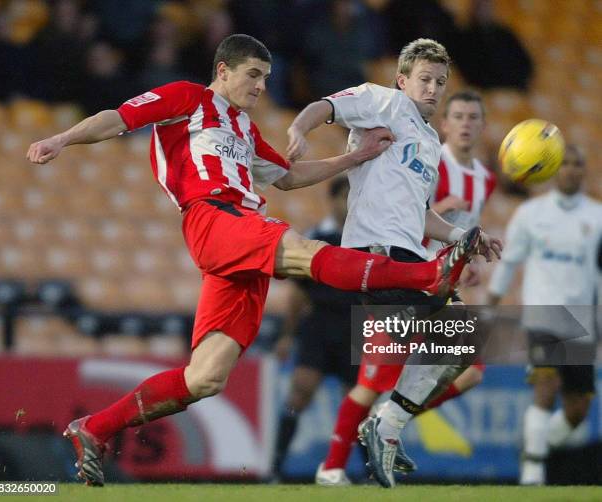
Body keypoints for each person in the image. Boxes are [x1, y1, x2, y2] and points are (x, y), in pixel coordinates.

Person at [27, 34, 476, 487]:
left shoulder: (244, 129)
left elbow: (289, 176)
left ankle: (94, 428)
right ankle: (428, 273)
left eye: (266, 78)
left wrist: (357, 155)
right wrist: (62, 139)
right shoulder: (188, 97)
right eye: (253, 75)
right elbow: (118, 119)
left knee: (205, 378)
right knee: (301, 250)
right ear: (223, 70)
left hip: (237, 239)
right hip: (213, 217)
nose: (261, 86)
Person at [286, 38, 503, 488]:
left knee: (464, 344)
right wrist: (299, 130)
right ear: (403, 79)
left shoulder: (427, 139)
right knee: (462, 339)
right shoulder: (382, 101)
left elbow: (423, 214)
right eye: (424, 79)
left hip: (410, 257)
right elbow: (325, 105)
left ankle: (380, 427)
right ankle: (383, 428)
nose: (432, 89)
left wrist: (467, 235)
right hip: (377, 255)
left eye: (440, 82)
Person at [488, 144, 602, 485]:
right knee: (545, 386)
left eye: (577, 164)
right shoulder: (531, 213)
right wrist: (491, 305)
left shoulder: (597, 216)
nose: (570, 169)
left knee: (577, 411)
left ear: (584, 170)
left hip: (580, 318)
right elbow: (509, 262)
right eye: (564, 163)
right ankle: (532, 472)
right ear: (553, 170)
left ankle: (534, 444)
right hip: (542, 313)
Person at [271, 176, 361, 480]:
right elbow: (298, 293)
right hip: (320, 324)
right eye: (344, 197)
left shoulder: (369, 237)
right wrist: (287, 335)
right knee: (300, 393)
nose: (349, 205)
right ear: (333, 200)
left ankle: (371, 471)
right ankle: (275, 466)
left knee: (360, 401)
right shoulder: (315, 238)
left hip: (356, 327)